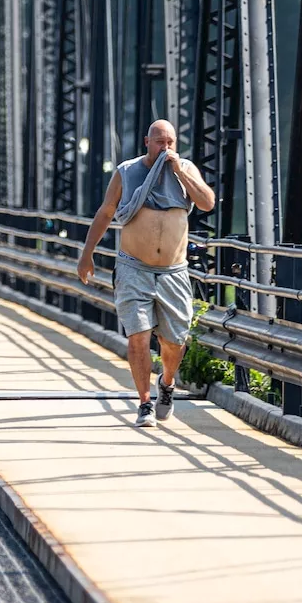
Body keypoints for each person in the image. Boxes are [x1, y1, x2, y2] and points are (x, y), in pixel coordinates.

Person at [77, 119, 215, 428]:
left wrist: (180, 171)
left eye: (170, 142)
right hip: (133, 268)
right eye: (159, 142)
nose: (165, 148)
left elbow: (207, 203)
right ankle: (143, 403)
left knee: (174, 342)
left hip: (173, 272)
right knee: (138, 336)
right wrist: (87, 256)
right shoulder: (127, 172)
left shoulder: (186, 170)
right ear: (146, 142)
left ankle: (166, 383)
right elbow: (106, 212)